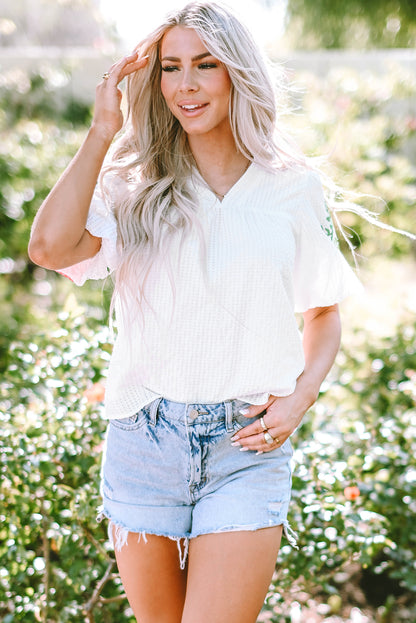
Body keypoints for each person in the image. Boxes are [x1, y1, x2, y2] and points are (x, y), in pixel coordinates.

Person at [28, 2, 362, 621]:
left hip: (246, 447)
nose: (185, 84)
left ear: (237, 72)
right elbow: (47, 247)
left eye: (205, 65)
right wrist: (103, 130)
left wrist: (300, 398)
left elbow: (323, 311)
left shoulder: (292, 186)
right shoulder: (133, 182)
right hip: (143, 439)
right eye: (170, 67)